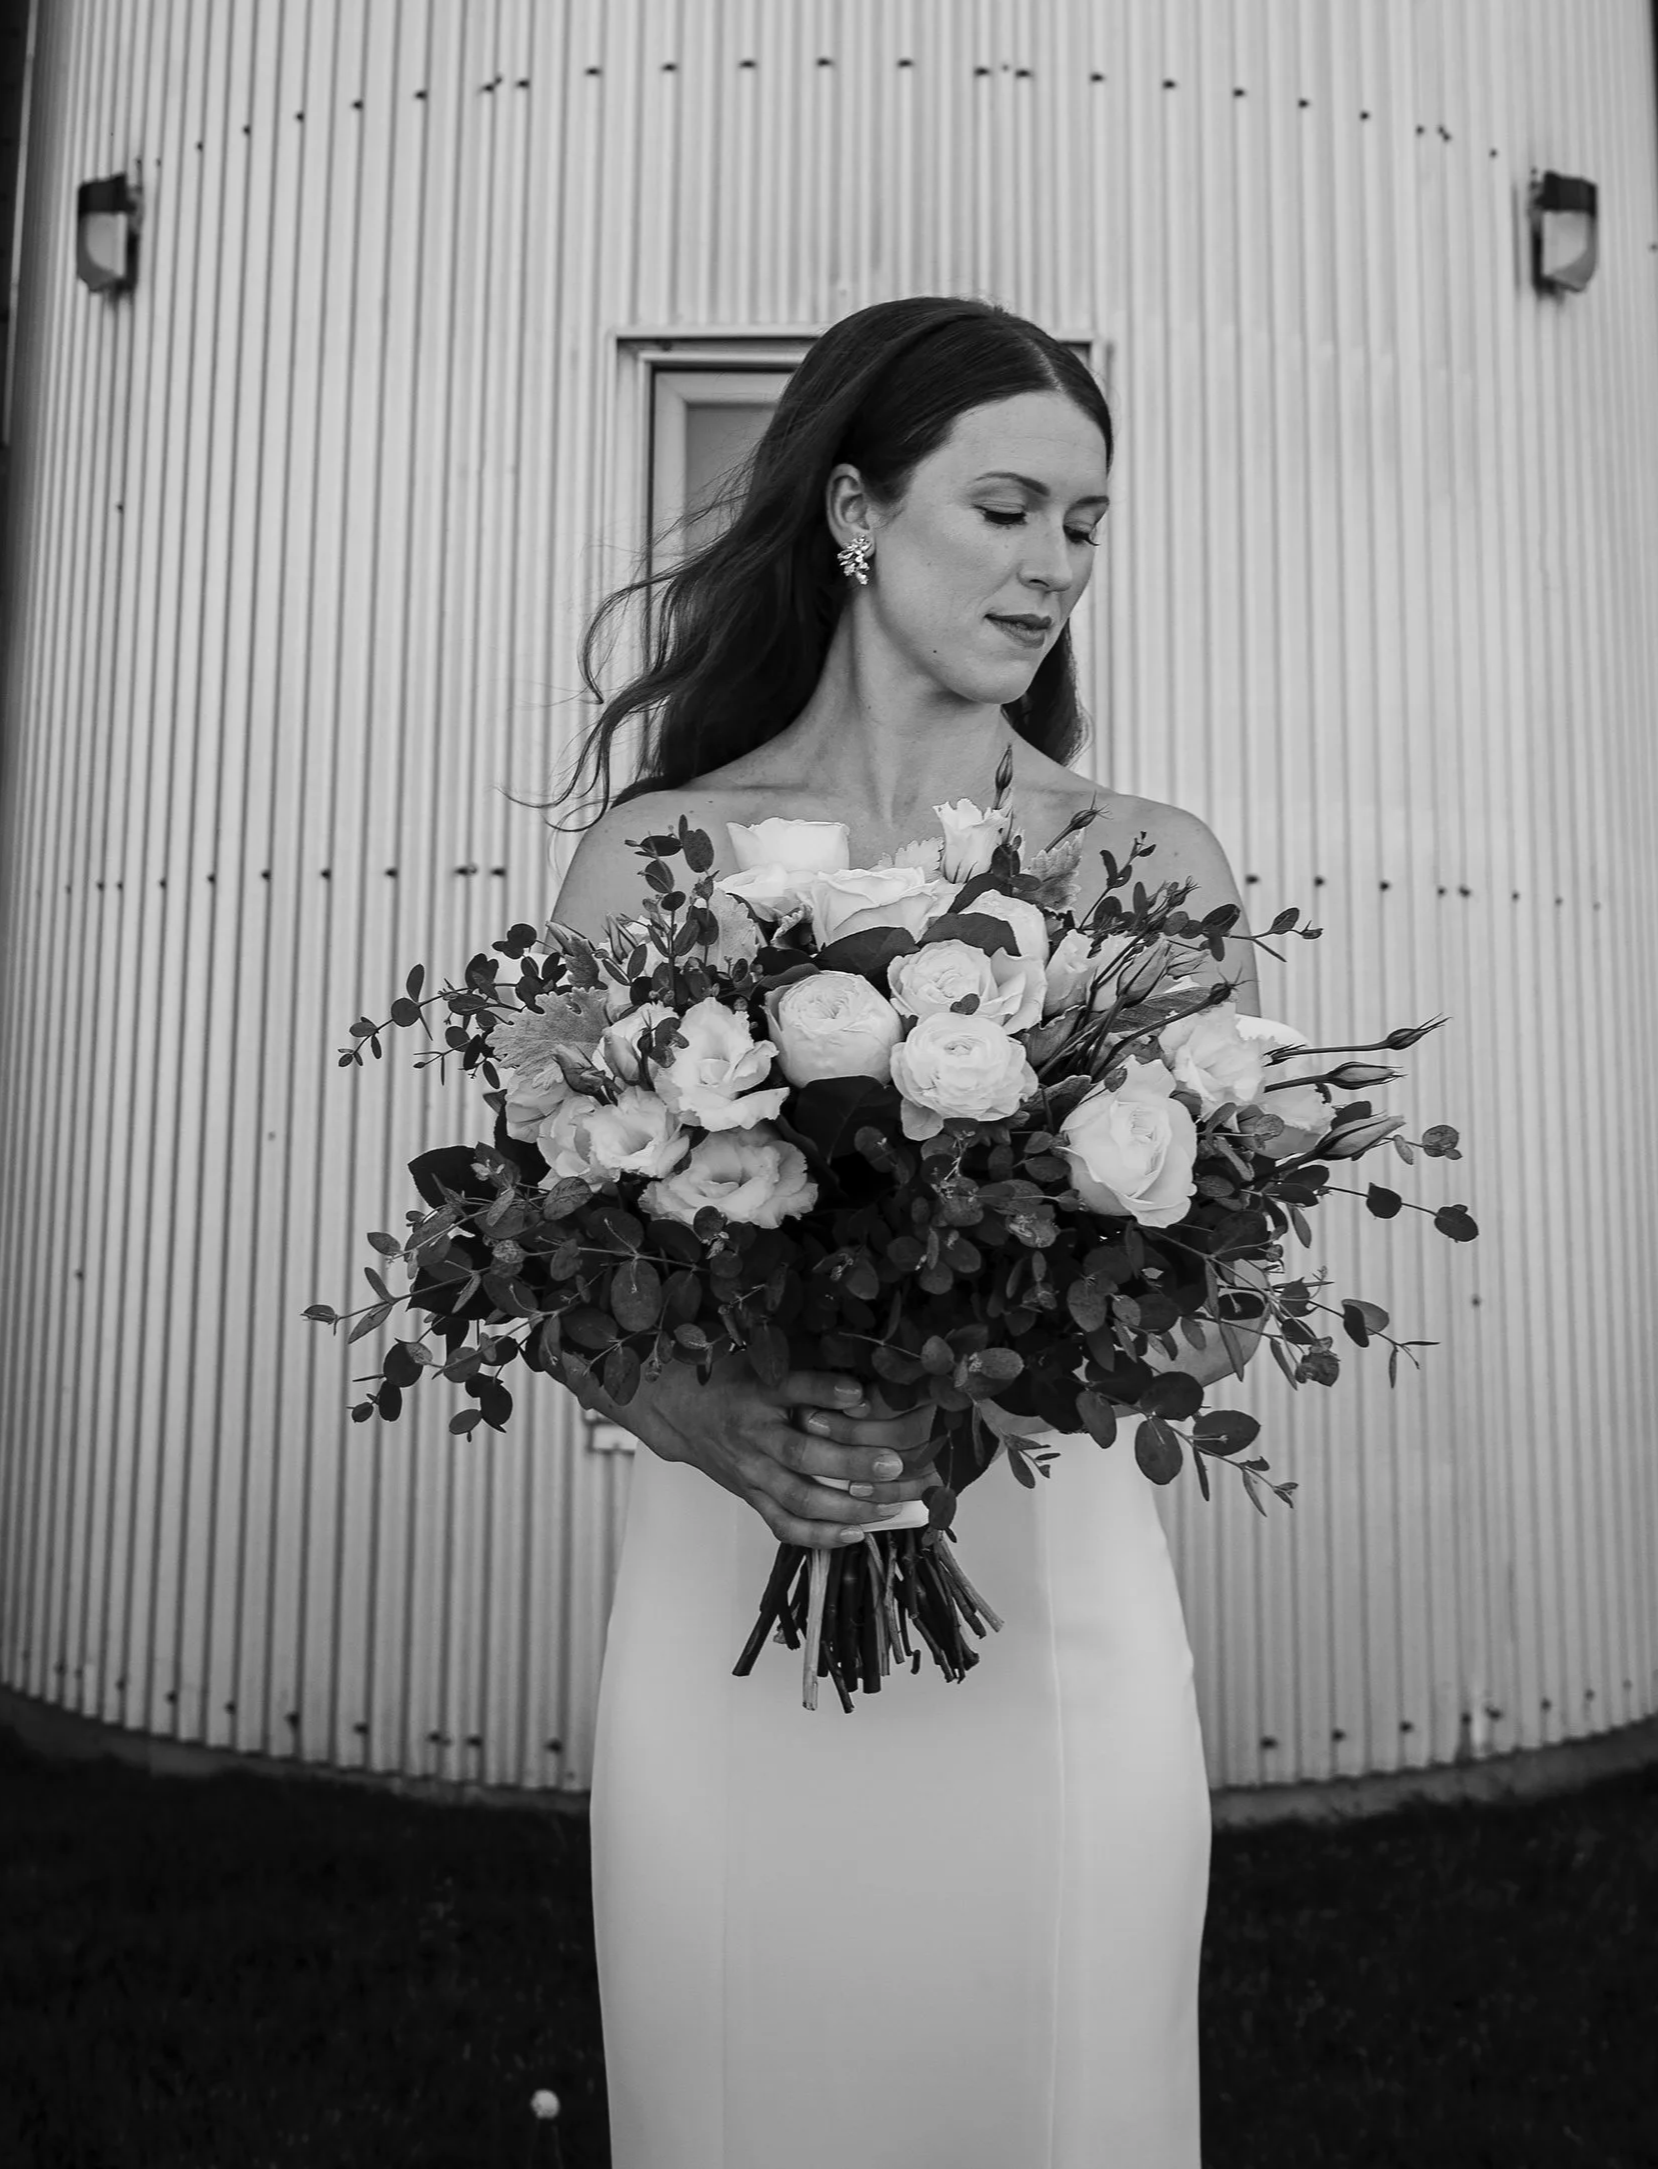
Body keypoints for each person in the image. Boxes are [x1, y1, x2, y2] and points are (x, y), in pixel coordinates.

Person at [547, 296, 1262, 2169]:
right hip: (724, 1613)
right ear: (858, 513)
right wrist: (705, 1418)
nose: (1054, 566)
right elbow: (556, 1276)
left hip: (1056, 1618)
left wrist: (1003, 1341)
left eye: (1084, 524)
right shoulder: (656, 858)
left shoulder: (1147, 864)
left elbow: (1223, 1306)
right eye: (1006, 510)